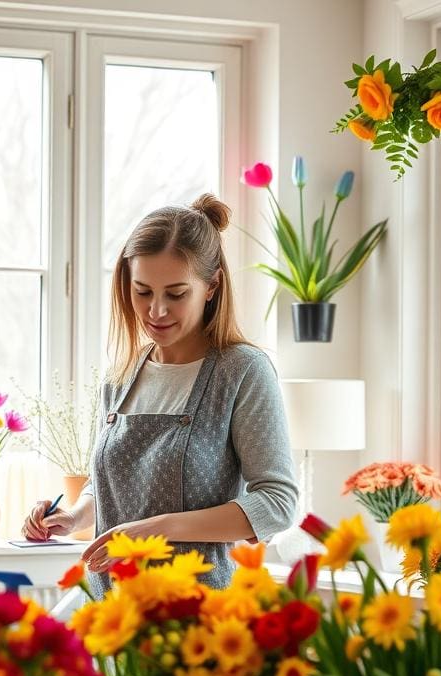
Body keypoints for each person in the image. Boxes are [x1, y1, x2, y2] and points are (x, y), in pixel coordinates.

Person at [22, 193, 297, 593]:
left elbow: (277, 503)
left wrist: (158, 530)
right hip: (113, 613)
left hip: (197, 618)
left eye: (176, 293)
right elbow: (111, 489)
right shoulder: (122, 376)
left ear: (211, 286)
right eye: (143, 291)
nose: (156, 311)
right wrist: (74, 516)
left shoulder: (241, 371)